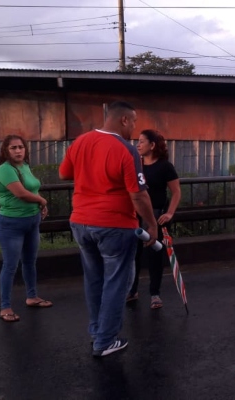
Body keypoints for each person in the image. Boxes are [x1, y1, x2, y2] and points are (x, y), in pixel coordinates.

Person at [59, 101, 158, 357]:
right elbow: (138, 195)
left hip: (81, 221)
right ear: (124, 120)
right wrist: (152, 224)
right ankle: (105, 340)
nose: (135, 127)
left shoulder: (80, 141)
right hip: (114, 224)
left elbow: (63, 174)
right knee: (116, 282)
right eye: (134, 121)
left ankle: (97, 332)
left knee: (93, 279)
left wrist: (91, 173)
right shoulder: (126, 150)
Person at [0, 135, 52, 322]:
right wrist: (42, 200)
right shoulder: (5, 170)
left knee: (30, 262)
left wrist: (41, 206)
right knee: (10, 266)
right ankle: (5, 307)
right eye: (13, 148)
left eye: (21, 147)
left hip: (32, 221)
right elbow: (20, 193)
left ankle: (32, 296)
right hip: (11, 224)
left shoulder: (24, 166)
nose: (18, 151)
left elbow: (32, 189)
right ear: (6, 150)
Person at [127, 129, 181, 309]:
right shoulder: (135, 165)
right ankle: (132, 290)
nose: (138, 145)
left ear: (152, 145)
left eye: (142, 141)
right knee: (133, 255)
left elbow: (176, 192)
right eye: (138, 141)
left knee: (155, 254)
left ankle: (154, 293)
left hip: (157, 216)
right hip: (134, 216)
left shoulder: (165, 166)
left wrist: (170, 213)